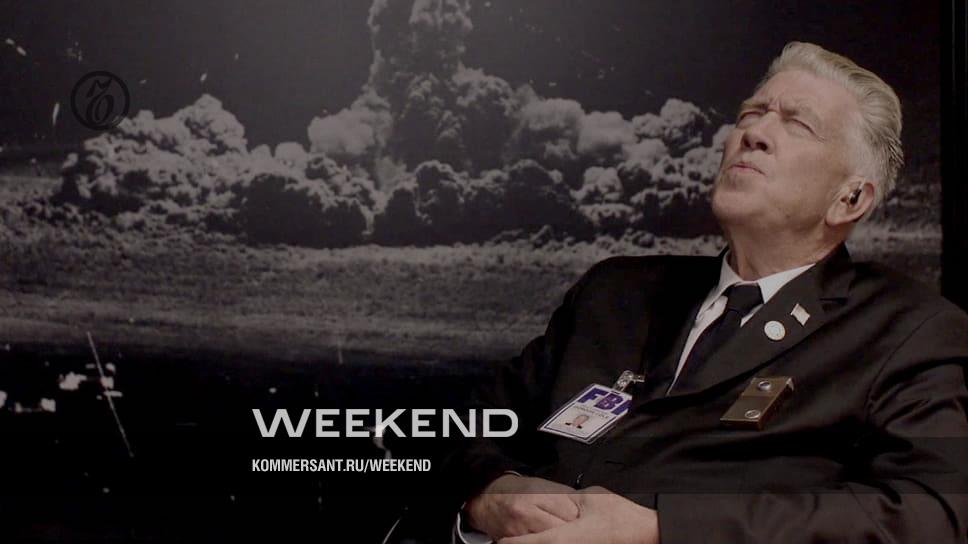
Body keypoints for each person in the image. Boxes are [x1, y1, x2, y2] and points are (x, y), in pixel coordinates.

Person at [439, 41, 968, 543]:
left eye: (797, 124)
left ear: (850, 199)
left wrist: (663, 530)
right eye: (750, 113)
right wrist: (487, 492)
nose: (754, 133)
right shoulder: (614, 291)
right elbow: (459, 428)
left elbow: (929, 513)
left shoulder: (907, 331)